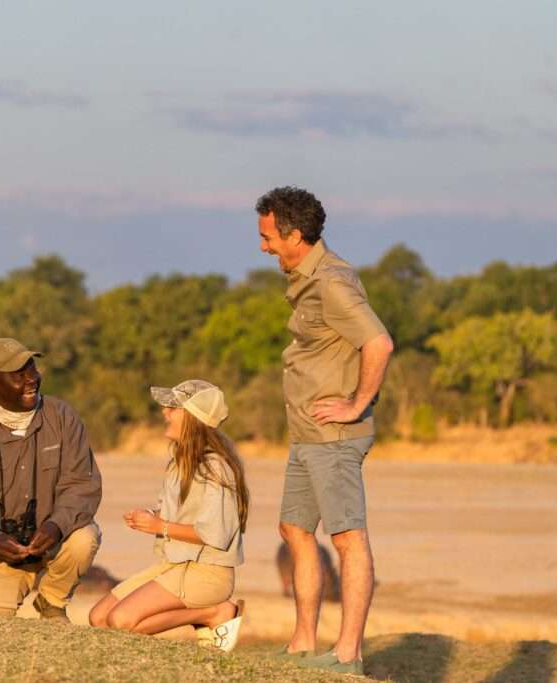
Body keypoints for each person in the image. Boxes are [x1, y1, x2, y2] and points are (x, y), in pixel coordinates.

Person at [256, 186, 394, 675]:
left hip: (334, 440)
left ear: (294, 235)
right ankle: (303, 642)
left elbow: (378, 343)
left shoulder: (333, 282)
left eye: (268, 237)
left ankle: (348, 655)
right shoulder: (304, 278)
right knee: (294, 529)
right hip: (306, 435)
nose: (263, 246)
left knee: (348, 538)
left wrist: (357, 403)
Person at [0, 338, 102, 622]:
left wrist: (56, 526)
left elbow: (82, 486)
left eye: (33, 369)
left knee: (85, 537)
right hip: (0, 553)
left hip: (54, 542)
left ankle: (52, 601)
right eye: (19, 374)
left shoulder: (63, 418)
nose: (32, 379)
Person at [88, 380, 250, 653]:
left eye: (174, 407)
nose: (165, 411)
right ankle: (209, 614)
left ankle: (214, 613)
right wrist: (150, 517)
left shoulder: (216, 468)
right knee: (98, 618)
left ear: (192, 418)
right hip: (176, 565)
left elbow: (213, 535)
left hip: (208, 574)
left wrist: (159, 525)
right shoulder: (179, 461)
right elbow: (173, 515)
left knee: (120, 621)